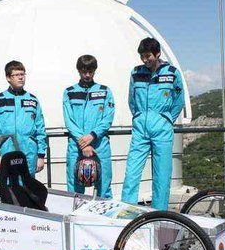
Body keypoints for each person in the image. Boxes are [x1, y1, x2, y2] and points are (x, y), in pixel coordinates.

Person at [121, 37, 185, 210]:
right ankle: (126, 215)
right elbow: (132, 100)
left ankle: (159, 216)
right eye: (142, 56)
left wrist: (166, 119)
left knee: (162, 177)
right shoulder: (136, 73)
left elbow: (179, 101)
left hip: (162, 131)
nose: (144, 60)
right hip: (140, 130)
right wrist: (139, 117)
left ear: (157, 54)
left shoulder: (172, 73)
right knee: (131, 174)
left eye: (148, 56)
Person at [63, 55, 115, 198]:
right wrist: (83, 142)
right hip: (77, 145)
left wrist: (92, 135)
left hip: (100, 145)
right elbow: (69, 120)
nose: (87, 75)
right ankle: (76, 218)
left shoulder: (105, 91)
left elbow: (108, 118)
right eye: (84, 71)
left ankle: (104, 219)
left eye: (90, 71)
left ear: (95, 71)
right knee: (74, 191)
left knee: (104, 187)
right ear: (78, 70)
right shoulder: (69, 92)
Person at [0, 60, 47, 176]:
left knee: (27, 187)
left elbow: (40, 129)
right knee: (9, 188)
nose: (21, 78)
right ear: (8, 77)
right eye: (17, 75)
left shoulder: (33, 100)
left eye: (22, 74)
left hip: (29, 152)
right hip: (6, 151)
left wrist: (40, 156)